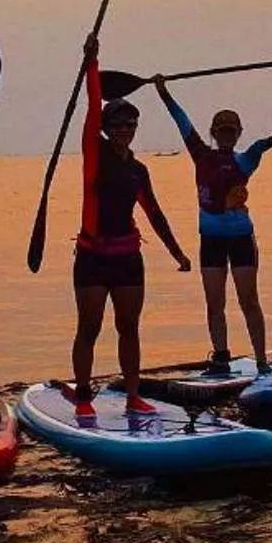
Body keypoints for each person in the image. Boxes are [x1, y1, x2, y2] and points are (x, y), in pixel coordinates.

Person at [69, 37, 191, 412]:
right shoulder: (95, 153)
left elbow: (154, 213)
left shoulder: (138, 170)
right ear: (107, 128)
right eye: (118, 123)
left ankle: (134, 396)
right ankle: (84, 393)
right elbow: (91, 106)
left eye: (131, 123)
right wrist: (92, 62)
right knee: (89, 327)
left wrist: (178, 253)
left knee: (129, 328)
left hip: (127, 258)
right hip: (91, 256)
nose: (125, 128)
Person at [155, 78, 272, 376]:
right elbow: (181, 120)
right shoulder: (201, 154)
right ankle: (222, 357)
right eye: (222, 130)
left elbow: (260, 146)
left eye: (232, 131)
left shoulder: (245, 160)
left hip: (240, 237)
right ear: (214, 133)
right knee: (215, 302)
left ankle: (262, 361)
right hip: (211, 239)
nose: (226, 135)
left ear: (237, 134)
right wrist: (164, 93)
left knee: (248, 299)